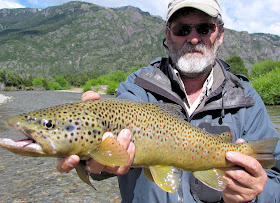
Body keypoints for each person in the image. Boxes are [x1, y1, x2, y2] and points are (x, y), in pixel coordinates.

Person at [56, 0, 280, 202]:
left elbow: (276, 180)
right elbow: (106, 151)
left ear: (219, 34)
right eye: (182, 29)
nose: (193, 38)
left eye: (204, 28)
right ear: (168, 34)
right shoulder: (135, 89)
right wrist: (88, 159)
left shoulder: (247, 99)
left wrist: (258, 194)